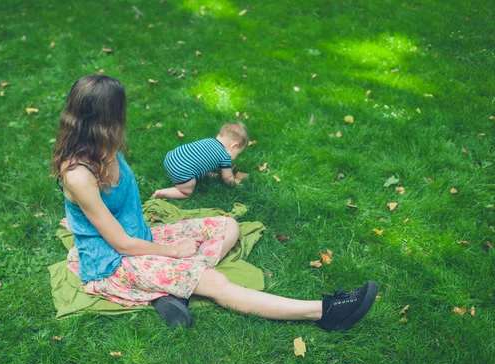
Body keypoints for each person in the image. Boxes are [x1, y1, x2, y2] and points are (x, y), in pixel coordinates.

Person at [52, 74, 378, 330]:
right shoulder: (79, 174)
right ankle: (324, 312)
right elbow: (121, 244)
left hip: (143, 240)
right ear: (107, 117)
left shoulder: (107, 147)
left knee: (228, 227)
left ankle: (174, 289)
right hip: (113, 264)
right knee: (218, 284)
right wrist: (174, 252)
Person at [152, 122, 248, 199]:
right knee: (186, 192)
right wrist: (236, 182)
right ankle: (162, 193)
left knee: (196, 160)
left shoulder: (209, 140)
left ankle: (204, 174)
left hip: (171, 157)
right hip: (182, 170)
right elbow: (227, 178)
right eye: (237, 153)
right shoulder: (225, 156)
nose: (236, 156)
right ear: (234, 146)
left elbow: (202, 158)